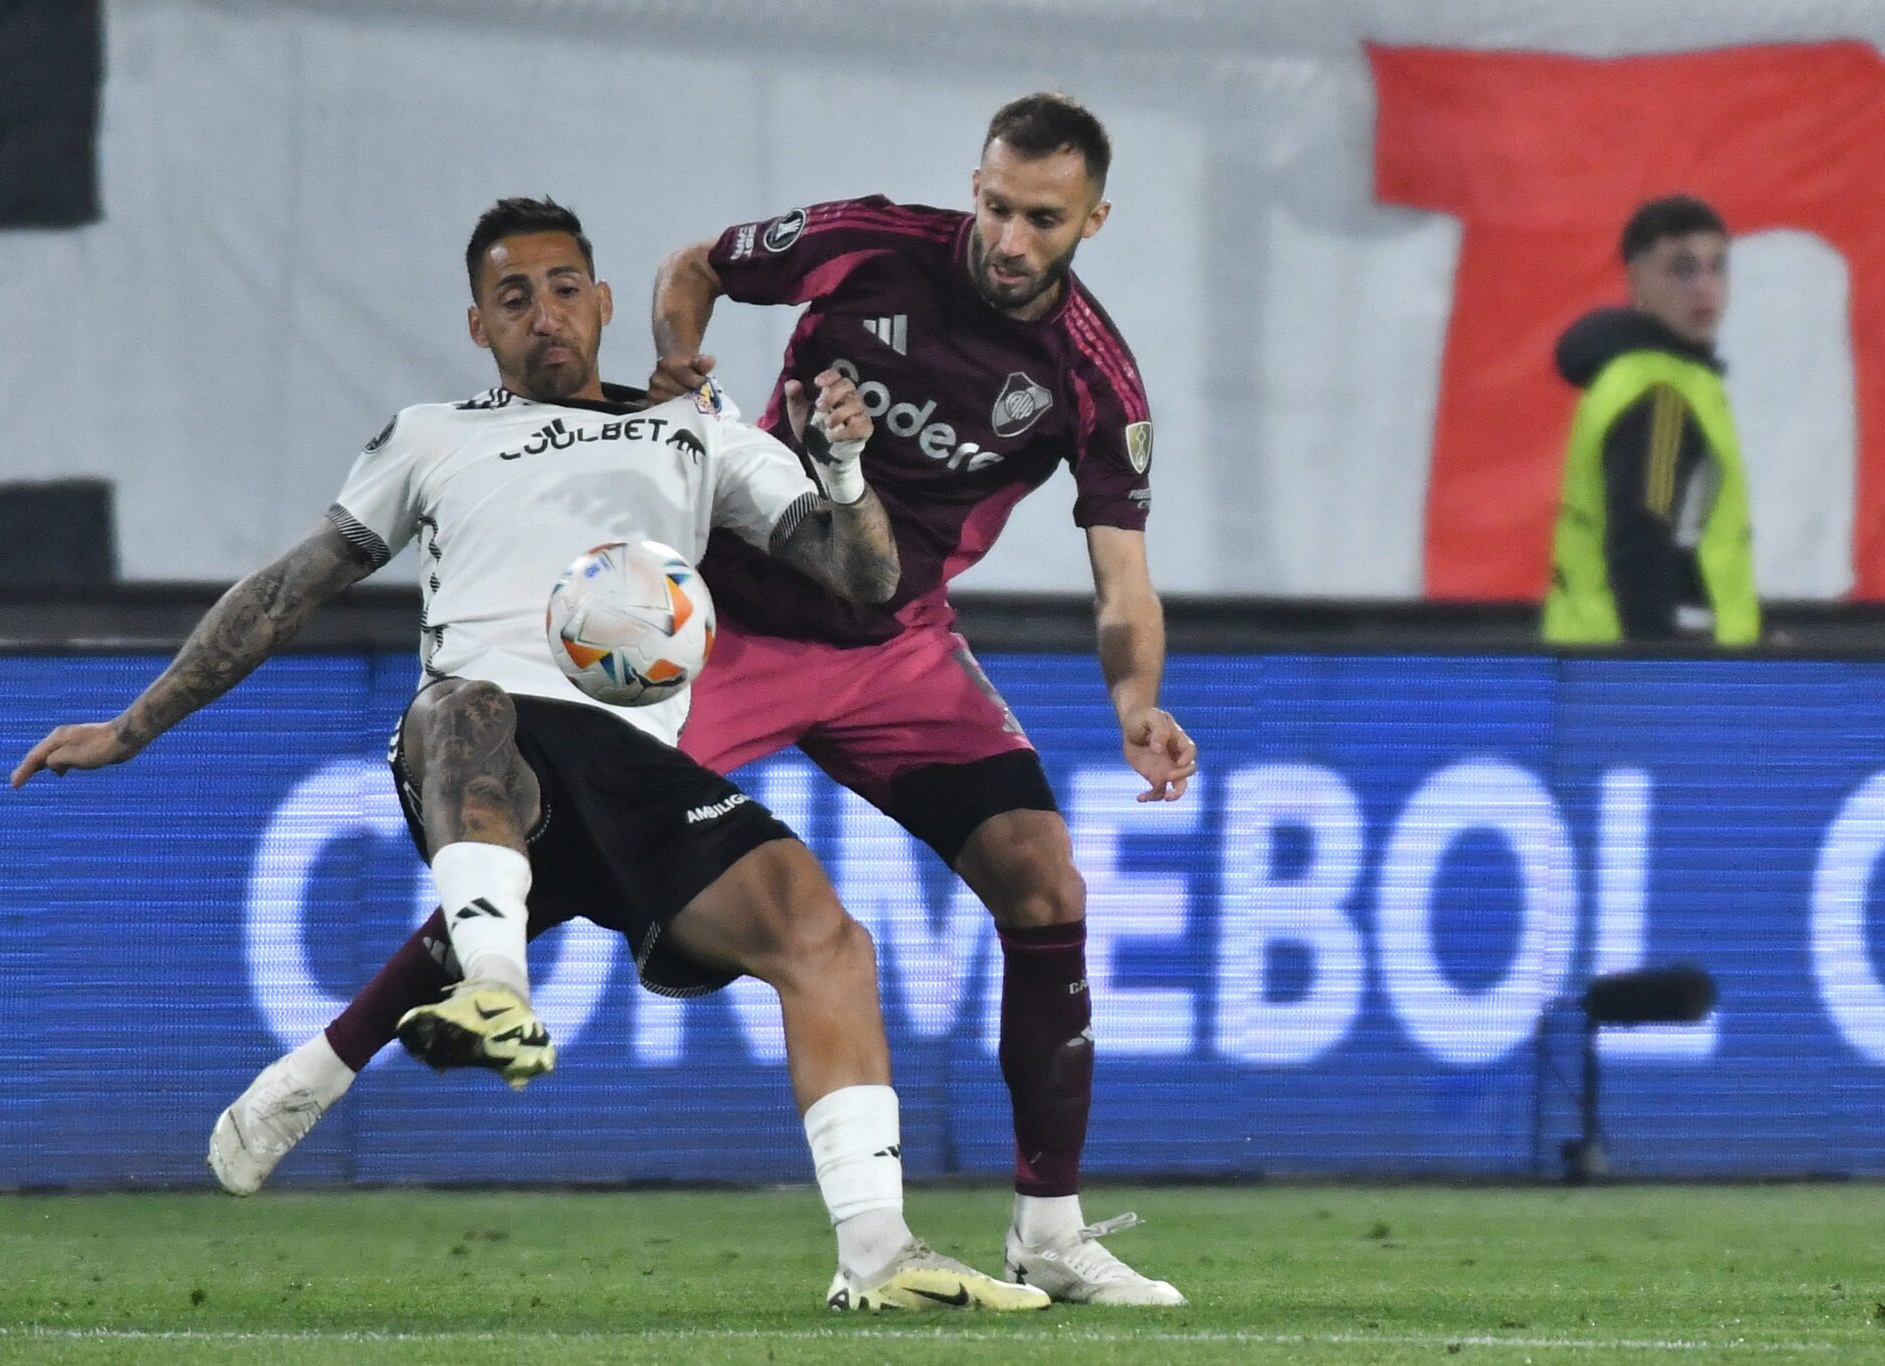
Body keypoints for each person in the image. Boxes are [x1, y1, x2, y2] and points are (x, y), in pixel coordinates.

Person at [218, 94, 1195, 1308]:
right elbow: (697, 266)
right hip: (721, 627)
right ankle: (321, 1070)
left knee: (1045, 881)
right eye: (993, 203)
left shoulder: (1092, 377)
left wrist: (1135, 703)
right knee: (552, 858)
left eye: (1039, 219)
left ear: (1091, 218)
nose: (1004, 236)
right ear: (975, 182)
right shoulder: (867, 241)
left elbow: (1122, 580)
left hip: (895, 646)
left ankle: (1047, 1229)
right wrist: (682, 353)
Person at [11, 196, 1047, 1314]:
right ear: (477, 327)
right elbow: (285, 589)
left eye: (563, 290)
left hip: (637, 763)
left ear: (603, 304)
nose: (543, 316)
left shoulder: (691, 431)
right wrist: (136, 723)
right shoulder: (431, 435)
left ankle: (875, 1254)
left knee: (826, 938)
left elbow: (861, 580)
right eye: (514, 299)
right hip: (483, 737)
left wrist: (843, 472)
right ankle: (496, 990)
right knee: (467, 707)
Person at [1543, 194, 1760, 645]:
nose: (1703, 286)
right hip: (1651, 671)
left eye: (1716, 266)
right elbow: (1642, 541)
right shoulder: (1661, 393)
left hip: (1615, 655)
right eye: (1681, 269)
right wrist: (1654, 677)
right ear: (1636, 279)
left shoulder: (1652, 374)